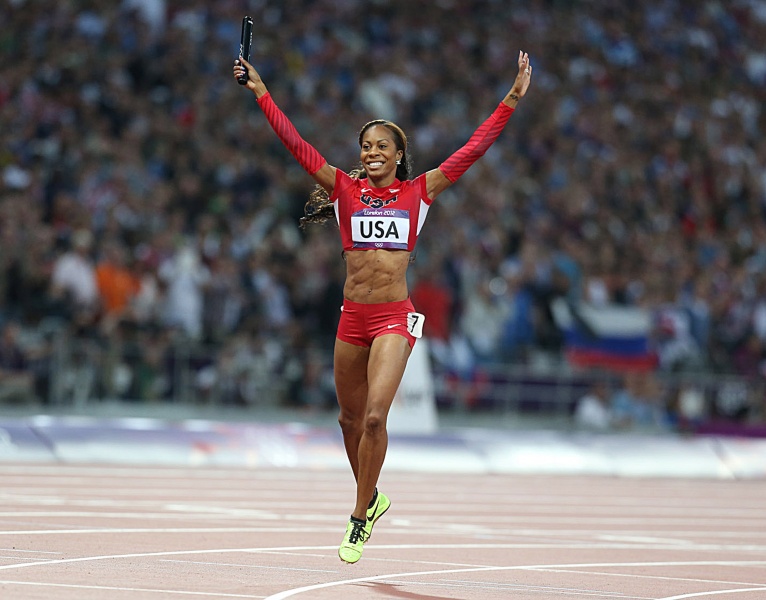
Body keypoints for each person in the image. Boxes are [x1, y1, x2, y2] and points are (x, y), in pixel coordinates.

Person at [233, 49, 532, 564]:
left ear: (398, 155)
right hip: (352, 318)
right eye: (366, 146)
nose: (371, 152)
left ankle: (357, 518)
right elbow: (295, 143)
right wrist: (260, 90)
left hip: (394, 317)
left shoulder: (420, 191)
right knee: (348, 421)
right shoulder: (342, 188)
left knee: (374, 418)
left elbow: (472, 148)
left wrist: (510, 99)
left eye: (380, 146)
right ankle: (373, 498)